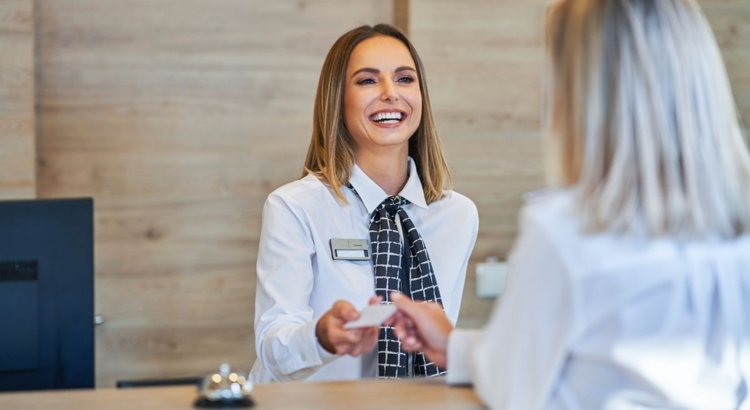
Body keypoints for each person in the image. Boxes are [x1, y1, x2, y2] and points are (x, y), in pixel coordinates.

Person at [386, 0, 750, 408]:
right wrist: (455, 347)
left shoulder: (566, 229)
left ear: (582, 86)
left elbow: (512, 390)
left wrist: (457, 348)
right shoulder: (736, 228)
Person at [249, 24, 478, 383]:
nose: (390, 94)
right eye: (368, 81)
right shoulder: (294, 207)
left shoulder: (458, 215)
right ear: (337, 100)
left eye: (404, 79)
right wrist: (320, 337)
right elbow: (272, 347)